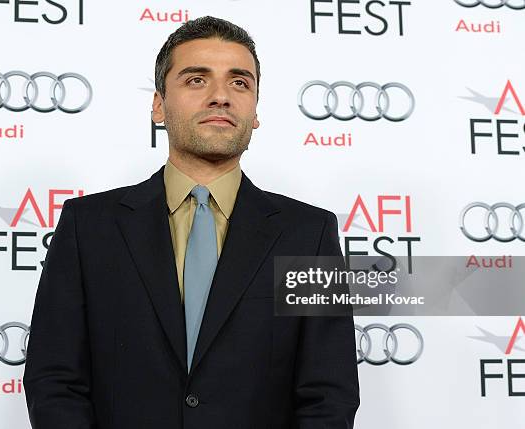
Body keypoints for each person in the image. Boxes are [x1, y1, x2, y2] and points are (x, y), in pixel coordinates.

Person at [23, 16, 359, 429]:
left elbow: (329, 395)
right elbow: (55, 380)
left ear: (255, 111)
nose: (221, 96)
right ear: (159, 105)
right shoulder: (88, 227)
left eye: (239, 82)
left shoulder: (309, 236)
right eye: (196, 80)